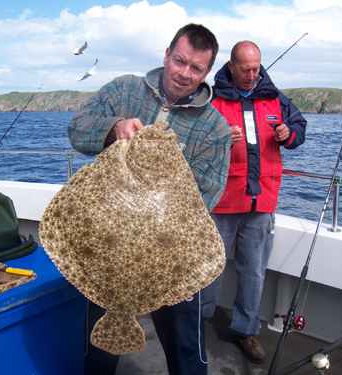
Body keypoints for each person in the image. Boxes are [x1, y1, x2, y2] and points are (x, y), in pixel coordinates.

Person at [67, 24, 232, 375]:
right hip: (109, 244)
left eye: (196, 68)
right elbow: (77, 128)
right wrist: (115, 128)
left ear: (207, 73)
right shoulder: (125, 89)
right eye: (179, 61)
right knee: (97, 349)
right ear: (166, 55)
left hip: (170, 255)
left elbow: (207, 196)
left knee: (186, 351)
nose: (184, 74)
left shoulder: (214, 127)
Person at [201, 41, 307, 363]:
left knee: (254, 273)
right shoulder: (210, 100)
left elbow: (300, 129)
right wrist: (216, 139)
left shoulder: (275, 97)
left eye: (256, 68)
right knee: (209, 269)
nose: (252, 75)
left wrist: (288, 134)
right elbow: (189, 144)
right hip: (220, 203)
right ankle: (196, 322)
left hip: (261, 202)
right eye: (245, 69)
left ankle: (245, 330)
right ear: (231, 67)